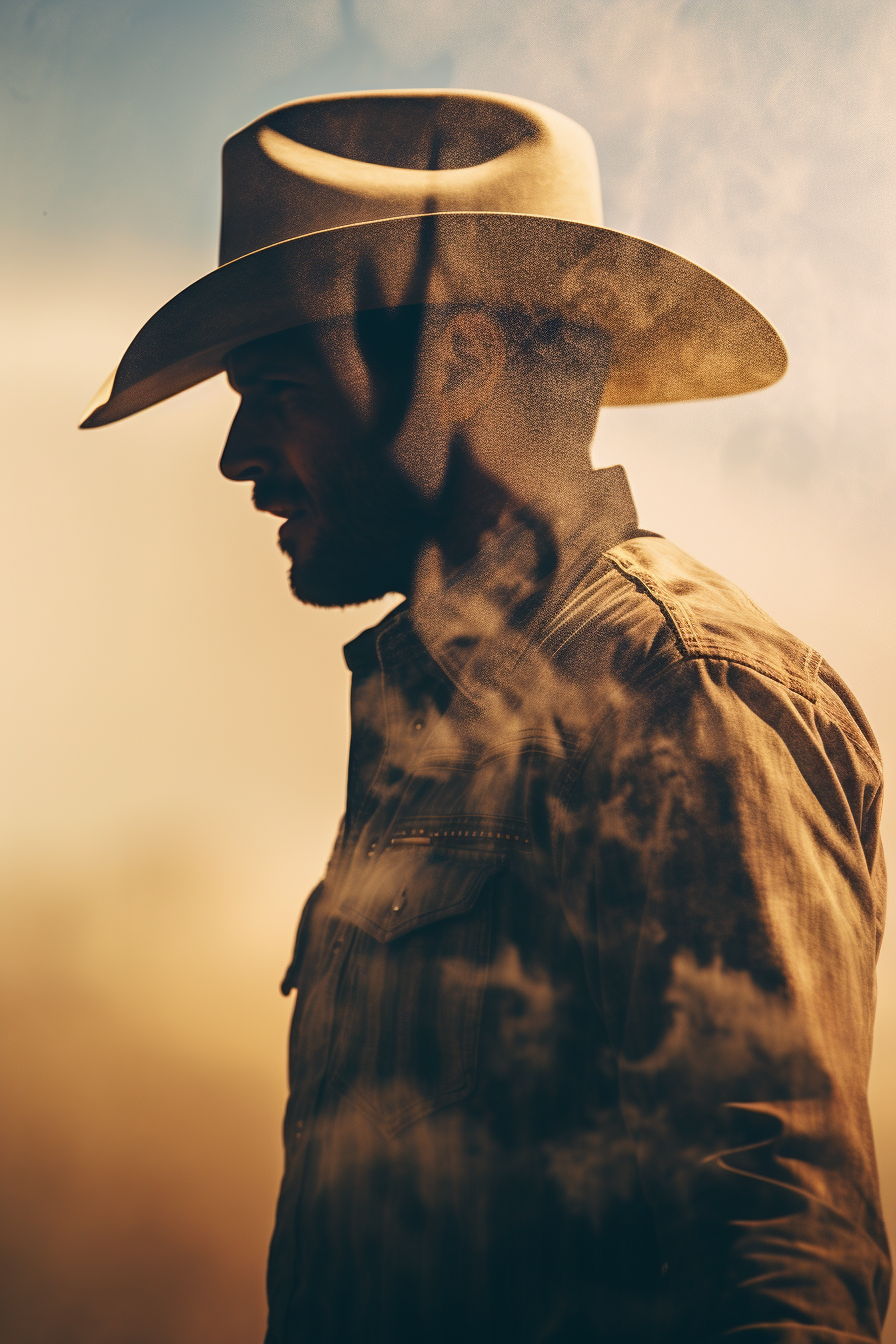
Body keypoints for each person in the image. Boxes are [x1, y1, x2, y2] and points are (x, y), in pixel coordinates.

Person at [81, 89, 890, 1343]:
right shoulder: (444, 728)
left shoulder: (676, 693)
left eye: (277, 386)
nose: (237, 455)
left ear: (456, 357)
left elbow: (774, 1268)